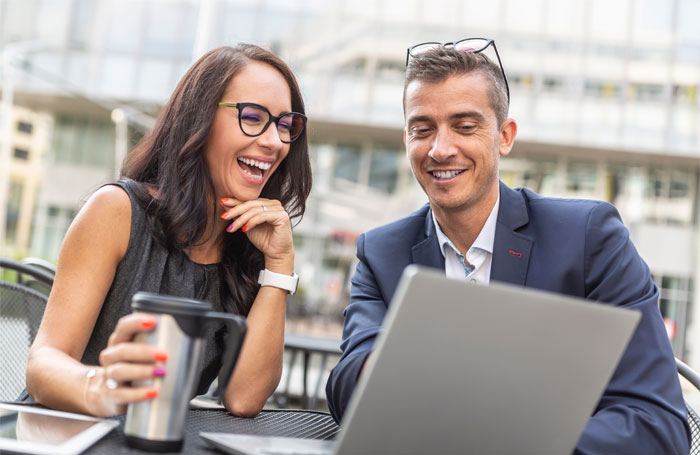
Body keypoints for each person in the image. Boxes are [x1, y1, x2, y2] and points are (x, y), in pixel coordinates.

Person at [325, 39, 691, 454]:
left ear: (504, 136)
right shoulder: (380, 251)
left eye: (464, 126)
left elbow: (658, 425)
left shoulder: (590, 237)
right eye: (422, 129)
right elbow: (346, 388)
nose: (440, 149)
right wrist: (395, 366)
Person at [25, 44, 312, 418]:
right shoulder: (117, 210)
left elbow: (244, 399)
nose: (275, 141)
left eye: (286, 125)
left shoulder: (250, 242)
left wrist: (279, 265)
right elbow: (42, 365)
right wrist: (104, 388)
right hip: (66, 434)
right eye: (253, 117)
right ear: (200, 120)